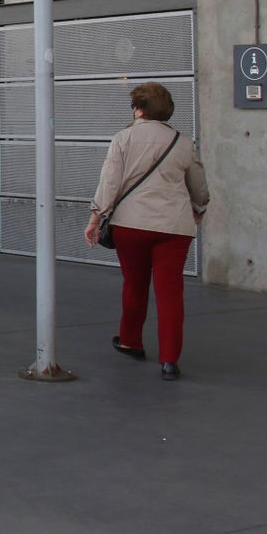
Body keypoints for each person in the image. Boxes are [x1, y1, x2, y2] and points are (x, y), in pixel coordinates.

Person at [84, 82, 210, 381]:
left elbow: (110, 182)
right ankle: (169, 361)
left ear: (139, 109)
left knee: (135, 284)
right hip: (174, 228)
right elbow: (199, 186)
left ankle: (131, 341)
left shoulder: (123, 138)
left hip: (131, 225)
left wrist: (95, 217)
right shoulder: (182, 142)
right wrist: (199, 209)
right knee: (170, 293)